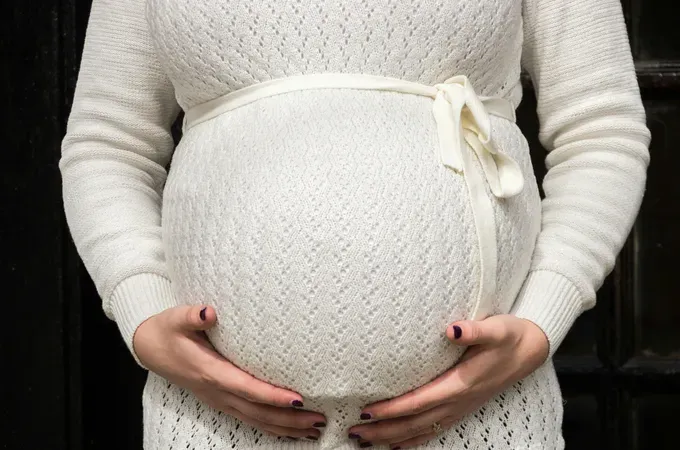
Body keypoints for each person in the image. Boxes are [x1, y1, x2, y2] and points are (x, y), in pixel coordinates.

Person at [59, 0, 651, 449]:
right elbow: (109, 143)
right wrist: (140, 310)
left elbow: (600, 128)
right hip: (210, 421)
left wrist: (541, 320)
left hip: (483, 416)